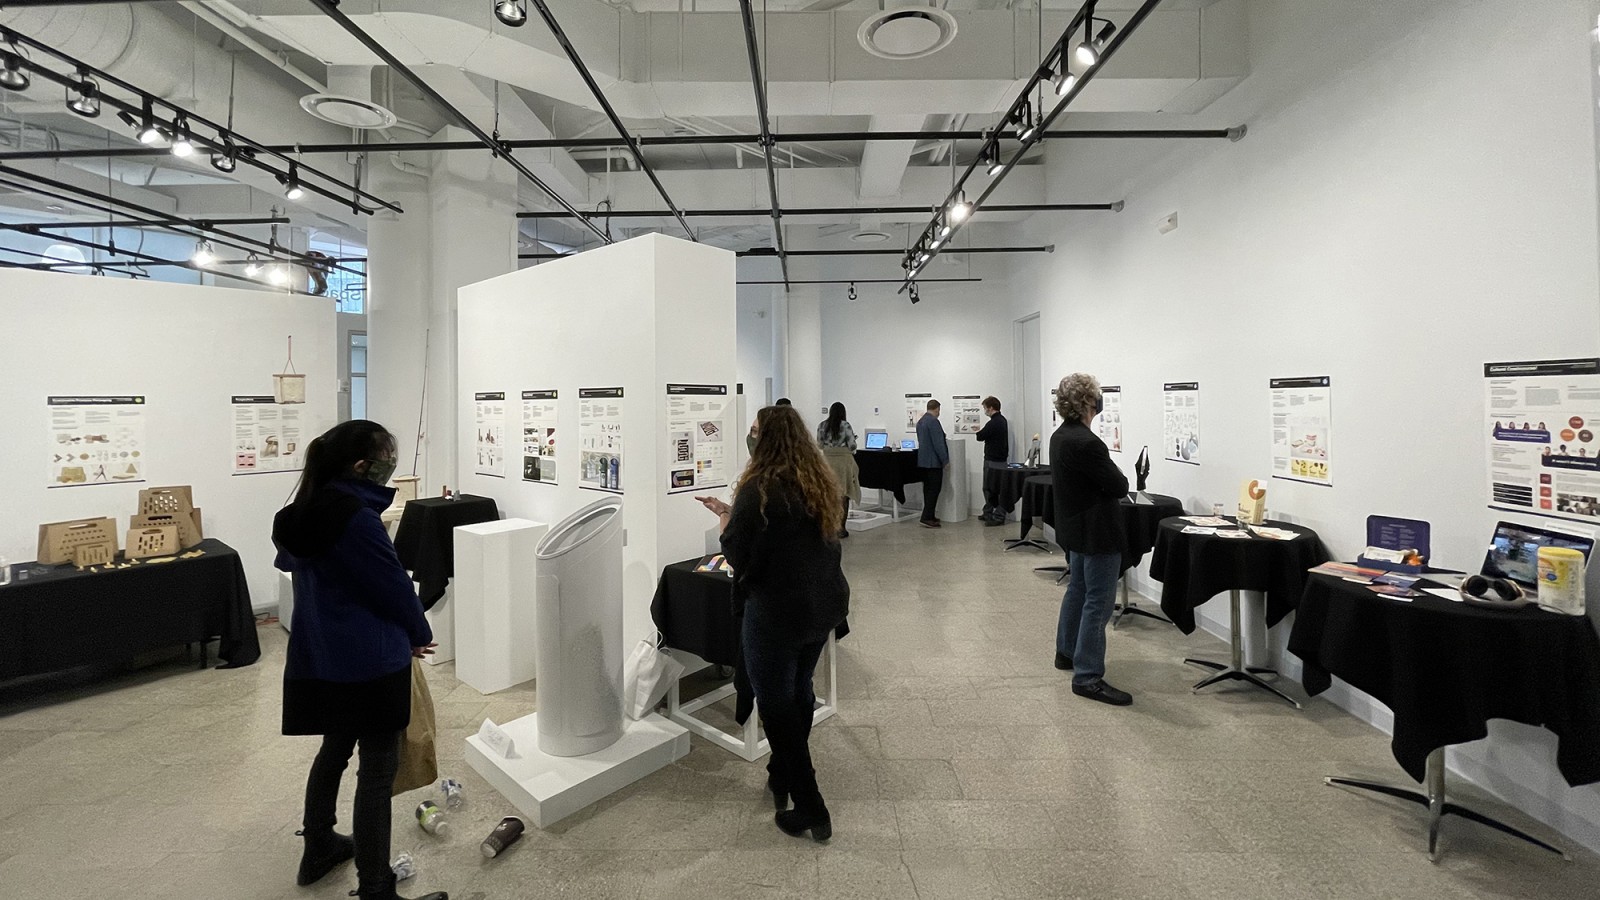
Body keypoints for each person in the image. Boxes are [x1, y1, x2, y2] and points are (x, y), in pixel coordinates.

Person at [273, 420, 447, 900]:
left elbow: (291, 563)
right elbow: (390, 584)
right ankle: (376, 887)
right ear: (360, 465)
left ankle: (320, 844)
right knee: (377, 770)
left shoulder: (297, 513)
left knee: (334, 749)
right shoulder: (357, 517)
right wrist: (419, 632)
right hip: (370, 659)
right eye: (386, 455)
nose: (392, 463)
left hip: (322, 656)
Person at [696, 404, 849, 842]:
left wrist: (725, 515)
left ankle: (812, 807)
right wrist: (732, 508)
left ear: (766, 438)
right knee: (799, 689)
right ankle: (781, 772)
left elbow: (737, 550)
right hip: (822, 606)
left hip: (778, 612)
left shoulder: (758, 486)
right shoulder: (816, 480)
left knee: (776, 704)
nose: (750, 436)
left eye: (755, 431)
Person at [1050, 374, 1132, 707]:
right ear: (1087, 403)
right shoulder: (1087, 442)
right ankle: (1087, 676)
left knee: (1078, 591)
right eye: (1096, 397)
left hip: (1075, 530)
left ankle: (1066, 653)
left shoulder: (1060, 436)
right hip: (1097, 533)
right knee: (1098, 602)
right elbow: (1120, 485)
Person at [816, 402, 860, 539]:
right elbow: (852, 445)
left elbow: (819, 444)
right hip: (843, 462)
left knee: (828, 495)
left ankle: (829, 527)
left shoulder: (822, 425)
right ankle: (841, 528)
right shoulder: (845, 425)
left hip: (828, 461)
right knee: (844, 495)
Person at [974, 396, 1010, 526]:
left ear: (990, 408)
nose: (984, 410)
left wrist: (977, 432)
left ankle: (997, 515)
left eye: (985, 408)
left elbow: (981, 436)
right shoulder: (1002, 421)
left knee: (990, 488)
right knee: (992, 488)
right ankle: (988, 511)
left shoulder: (994, 422)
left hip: (993, 460)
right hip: (999, 459)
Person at [915, 399, 949, 528]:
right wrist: (945, 460)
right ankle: (926, 516)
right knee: (934, 490)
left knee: (927, 489)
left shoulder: (921, 422)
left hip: (923, 461)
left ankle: (930, 515)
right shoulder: (934, 422)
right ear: (937, 409)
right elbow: (938, 443)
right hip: (933, 462)